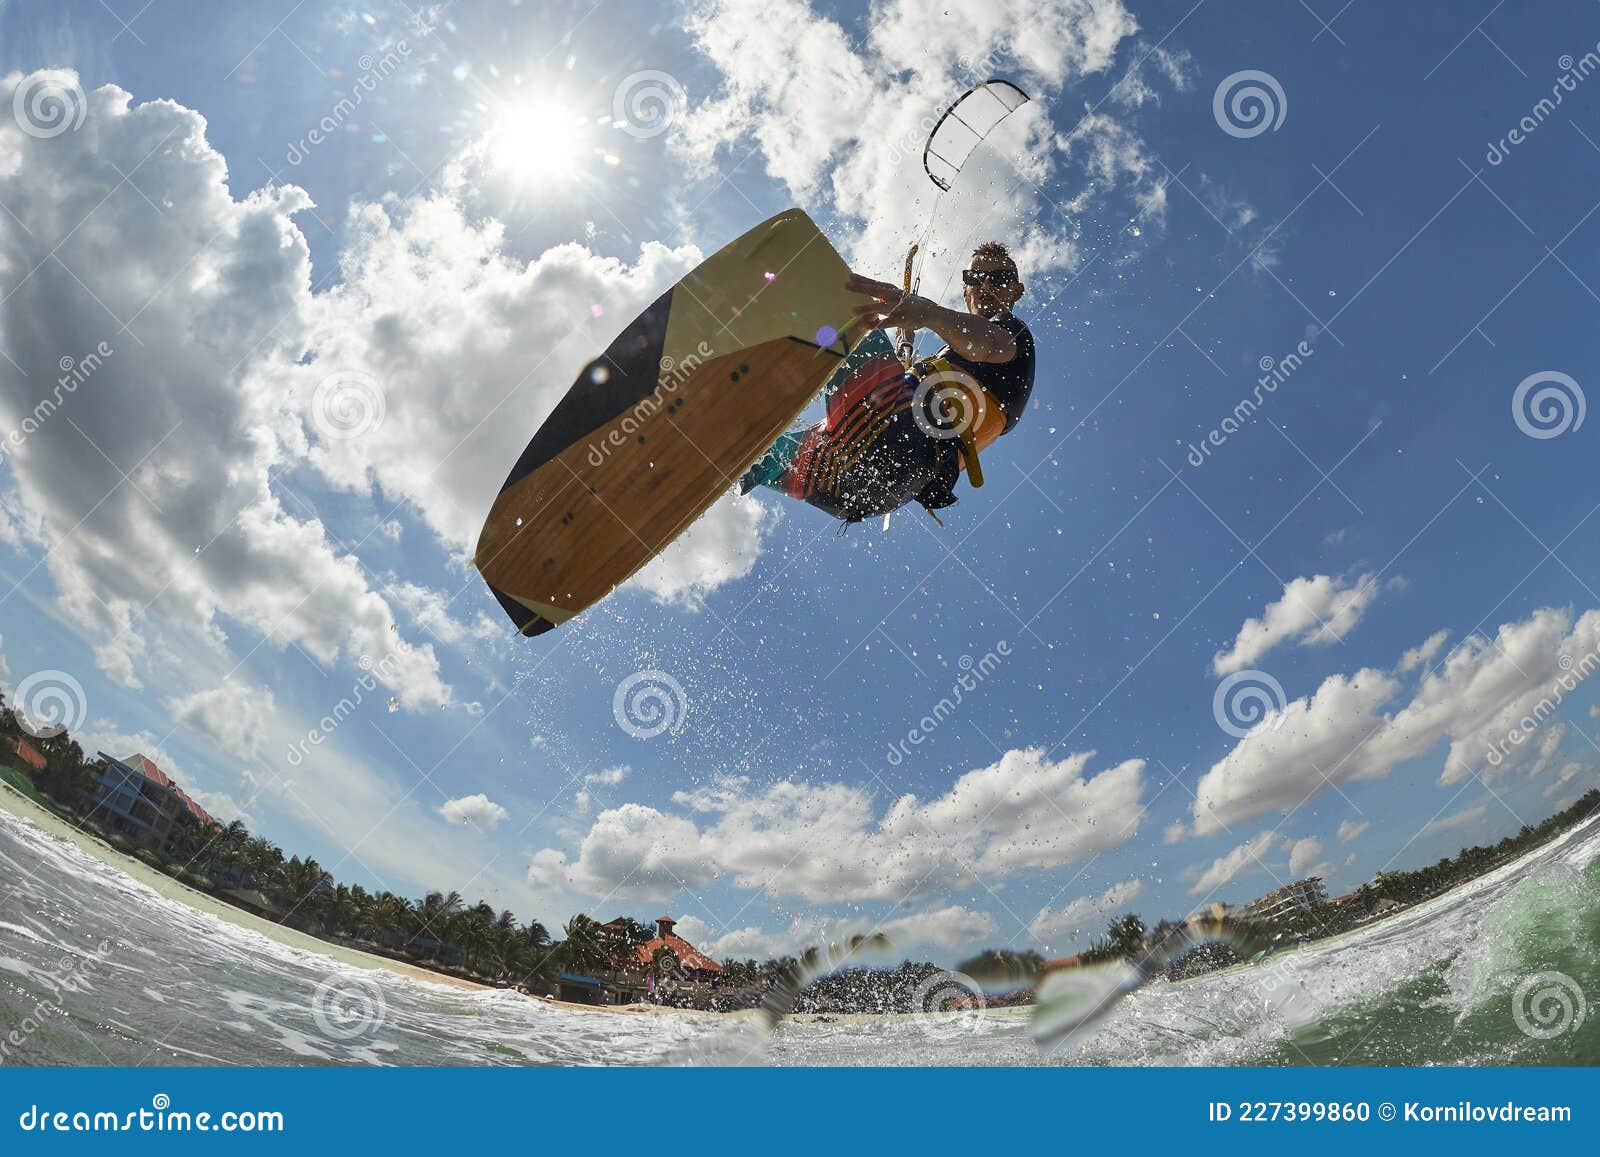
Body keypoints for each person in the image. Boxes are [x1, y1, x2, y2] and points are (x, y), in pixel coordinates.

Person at [740, 241, 1036, 523]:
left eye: (999, 278)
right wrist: (905, 347)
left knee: (850, 313)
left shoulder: (1013, 335)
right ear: (965, 287)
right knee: (760, 455)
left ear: (1017, 290)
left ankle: (778, 284)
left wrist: (930, 313)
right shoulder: (956, 358)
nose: (986, 285)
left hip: (894, 446)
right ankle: (733, 453)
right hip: (863, 493)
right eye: (976, 277)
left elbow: (989, 344)